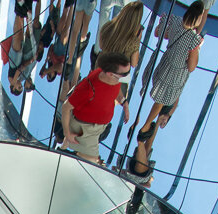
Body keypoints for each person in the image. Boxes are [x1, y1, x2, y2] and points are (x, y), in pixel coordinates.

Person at [135, 1, 206, 143]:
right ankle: (145, 126)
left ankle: (152, 121)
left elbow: (162, 34)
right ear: (198, 19)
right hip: (175, 74)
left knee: (163, 99)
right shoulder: (194, 40)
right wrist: (198, 48)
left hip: (165, 63)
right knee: (162, 100)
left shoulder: (175, 20)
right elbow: (191, 67)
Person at [61, 53, 132, 164]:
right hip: (86, 129)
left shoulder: (115, 79)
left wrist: (124, 102)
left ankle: (65, 146)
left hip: (99, 126)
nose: (127, 76)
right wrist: (67, 133)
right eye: (125, 74)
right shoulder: (88, 89)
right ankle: (69, 150)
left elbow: (116, 89)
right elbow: (66, 107)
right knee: (92, 162)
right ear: (110, 74)